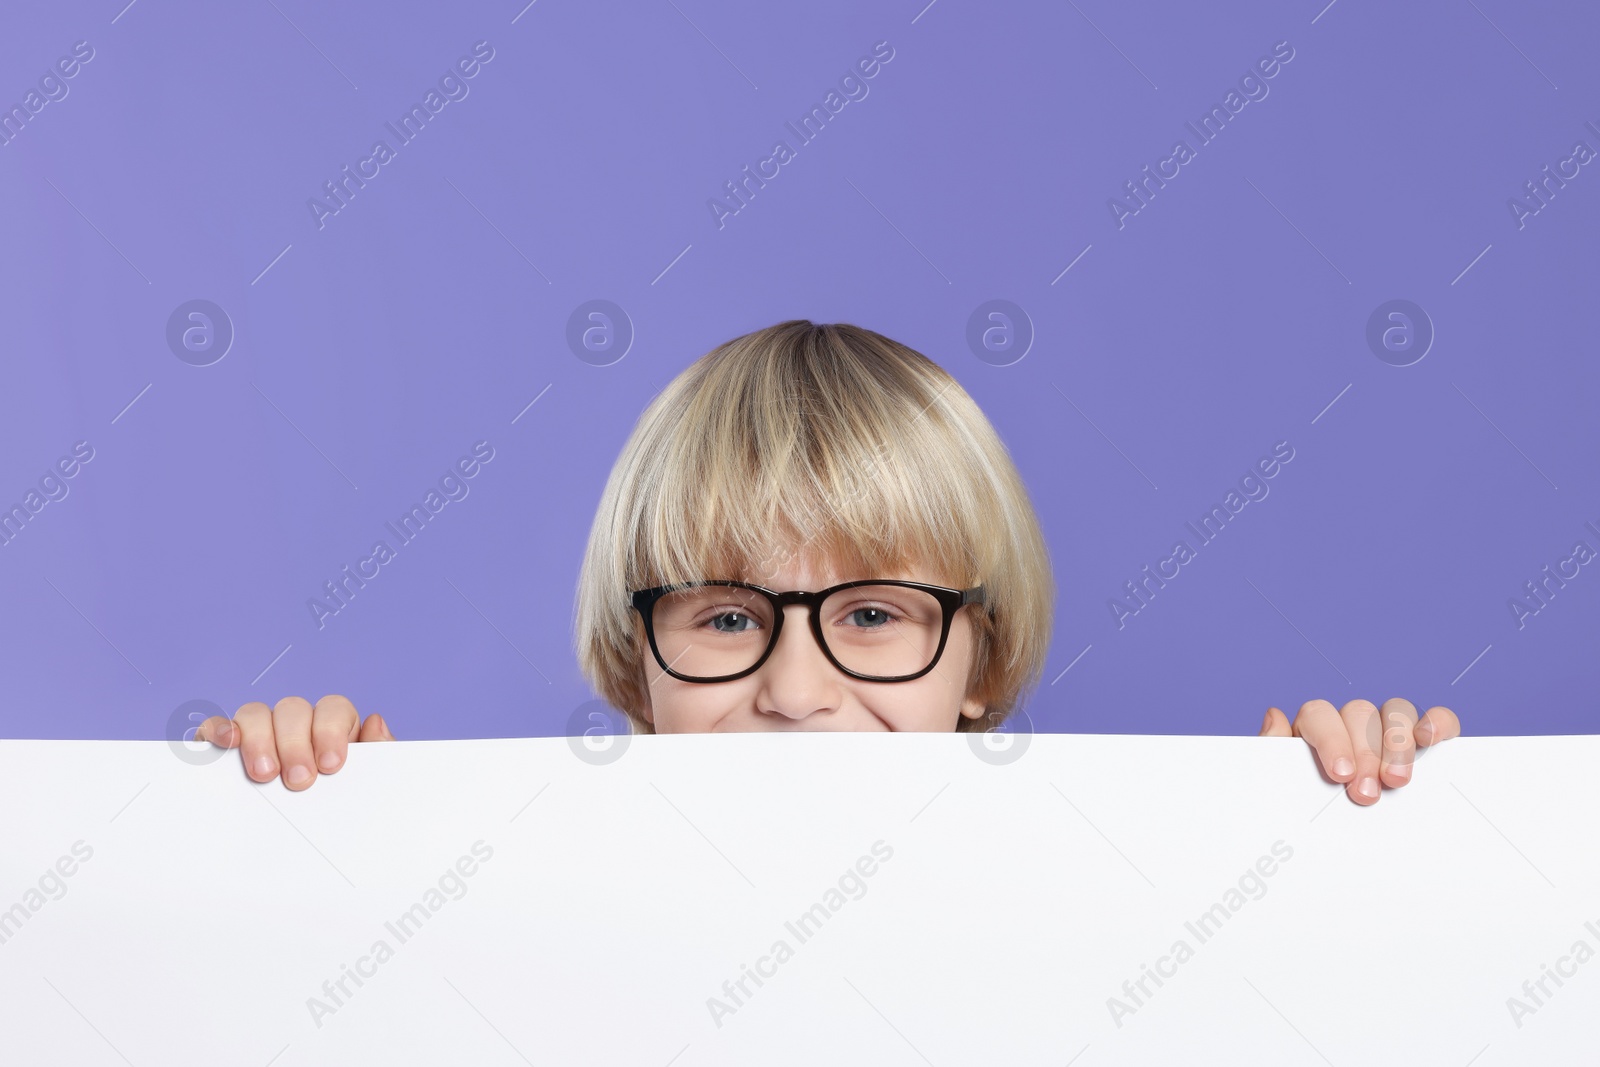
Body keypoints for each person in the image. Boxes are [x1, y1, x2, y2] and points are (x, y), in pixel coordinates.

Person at [195, 320, 1459, 802]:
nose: (795, 694)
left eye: (870, 612)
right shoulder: (480, 916)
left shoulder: (1126, 922)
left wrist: (1324, 837)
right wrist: (311, 834)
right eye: (729, 617)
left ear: (983, 652)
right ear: (636, 665)